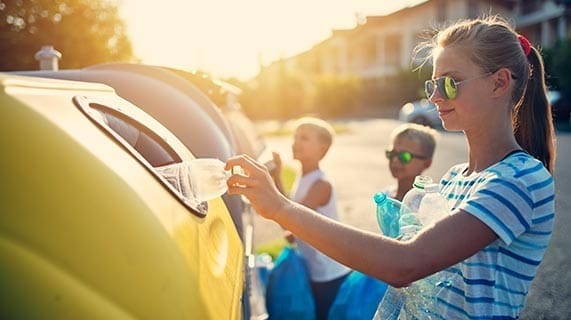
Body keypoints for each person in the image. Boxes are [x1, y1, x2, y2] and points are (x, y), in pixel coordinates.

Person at [225, 15, 555, 319]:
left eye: (451, 83)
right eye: (433, 84)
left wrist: (281, 207)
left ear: (499, 83)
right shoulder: (455, 178)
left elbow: (405, 264)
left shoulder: (520, 180)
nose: (436, 96)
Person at [268, 116, 351, 320]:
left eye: (304, 138)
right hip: (315, 269)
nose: (295, 142)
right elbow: (289, 216)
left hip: (329, 273)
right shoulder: (303, 178)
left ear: (323, 148)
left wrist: (272, 181)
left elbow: (290, 220)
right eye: (295, 136)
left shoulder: (321, 185)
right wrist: (277, 177)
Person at [384, 123, 438, 201]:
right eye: (391, 153)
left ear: (426, 163)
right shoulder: (386, 194)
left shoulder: (426, 202)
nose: (395, 160)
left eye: (404, 156)